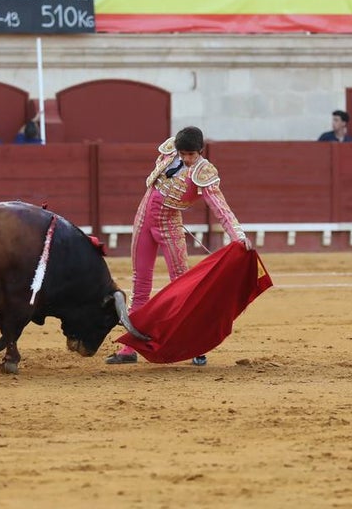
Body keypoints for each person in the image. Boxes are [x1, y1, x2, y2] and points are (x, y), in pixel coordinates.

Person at [104, 126, 251, 367]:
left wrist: (238, 235)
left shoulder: (204, 172)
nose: (186, 158)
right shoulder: (170, 150)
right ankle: (129, 347)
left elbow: (220, 208)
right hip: (143, 220)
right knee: (140, 283)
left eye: (191, 155)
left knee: (183, 286)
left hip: (170, 225)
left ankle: (195, 345)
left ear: (200, 152)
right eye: (183, 154)